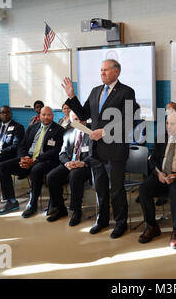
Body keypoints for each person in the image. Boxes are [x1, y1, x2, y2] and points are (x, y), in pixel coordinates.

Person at [61, 59, 138, 239]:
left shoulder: (126, 92)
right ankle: (102, 220)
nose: (102, 73)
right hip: (96, 151)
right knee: (100, 188)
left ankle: (120, 223)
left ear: (117, 72)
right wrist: (72, 96)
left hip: (115, 151)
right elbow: (83, 114)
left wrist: (104, 131)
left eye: (105, 70)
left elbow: (129, 121)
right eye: (100, 70)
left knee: (117, 190)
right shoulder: (96, 91)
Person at [138, 112, 176, 249]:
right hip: (162, 177)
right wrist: (158, 173)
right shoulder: (161, 138)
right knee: (143, 188)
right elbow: (152, 160)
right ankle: (152, 226)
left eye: (172, 124)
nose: (168, 126)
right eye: (167, 123)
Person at [0, 106, 65, 217]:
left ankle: (32, 204)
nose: (46, 117)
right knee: (2, 166)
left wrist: (35, 160)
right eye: (44, 115)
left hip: (45, 160)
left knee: (36, 170)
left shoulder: (59, 130)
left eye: (49, 115)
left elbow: (55, 150)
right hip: (28, 158)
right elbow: (22, 145)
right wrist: (23, 157)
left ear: (53, 116)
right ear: (40, 116)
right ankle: (11, 201)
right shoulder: (32, 128)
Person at [46, 111, 92, 226]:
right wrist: (67, 163)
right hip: (69, 163)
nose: (79, 122)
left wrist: (82, 163)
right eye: (75, 119)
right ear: (71, 121)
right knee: (51, 177)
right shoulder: (68, 133)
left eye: (81, 119)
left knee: (75, 175)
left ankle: (76, 210)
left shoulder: (91, 133)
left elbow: (95, 154)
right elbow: (62, 153)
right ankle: (60, 209)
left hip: (85, 166)